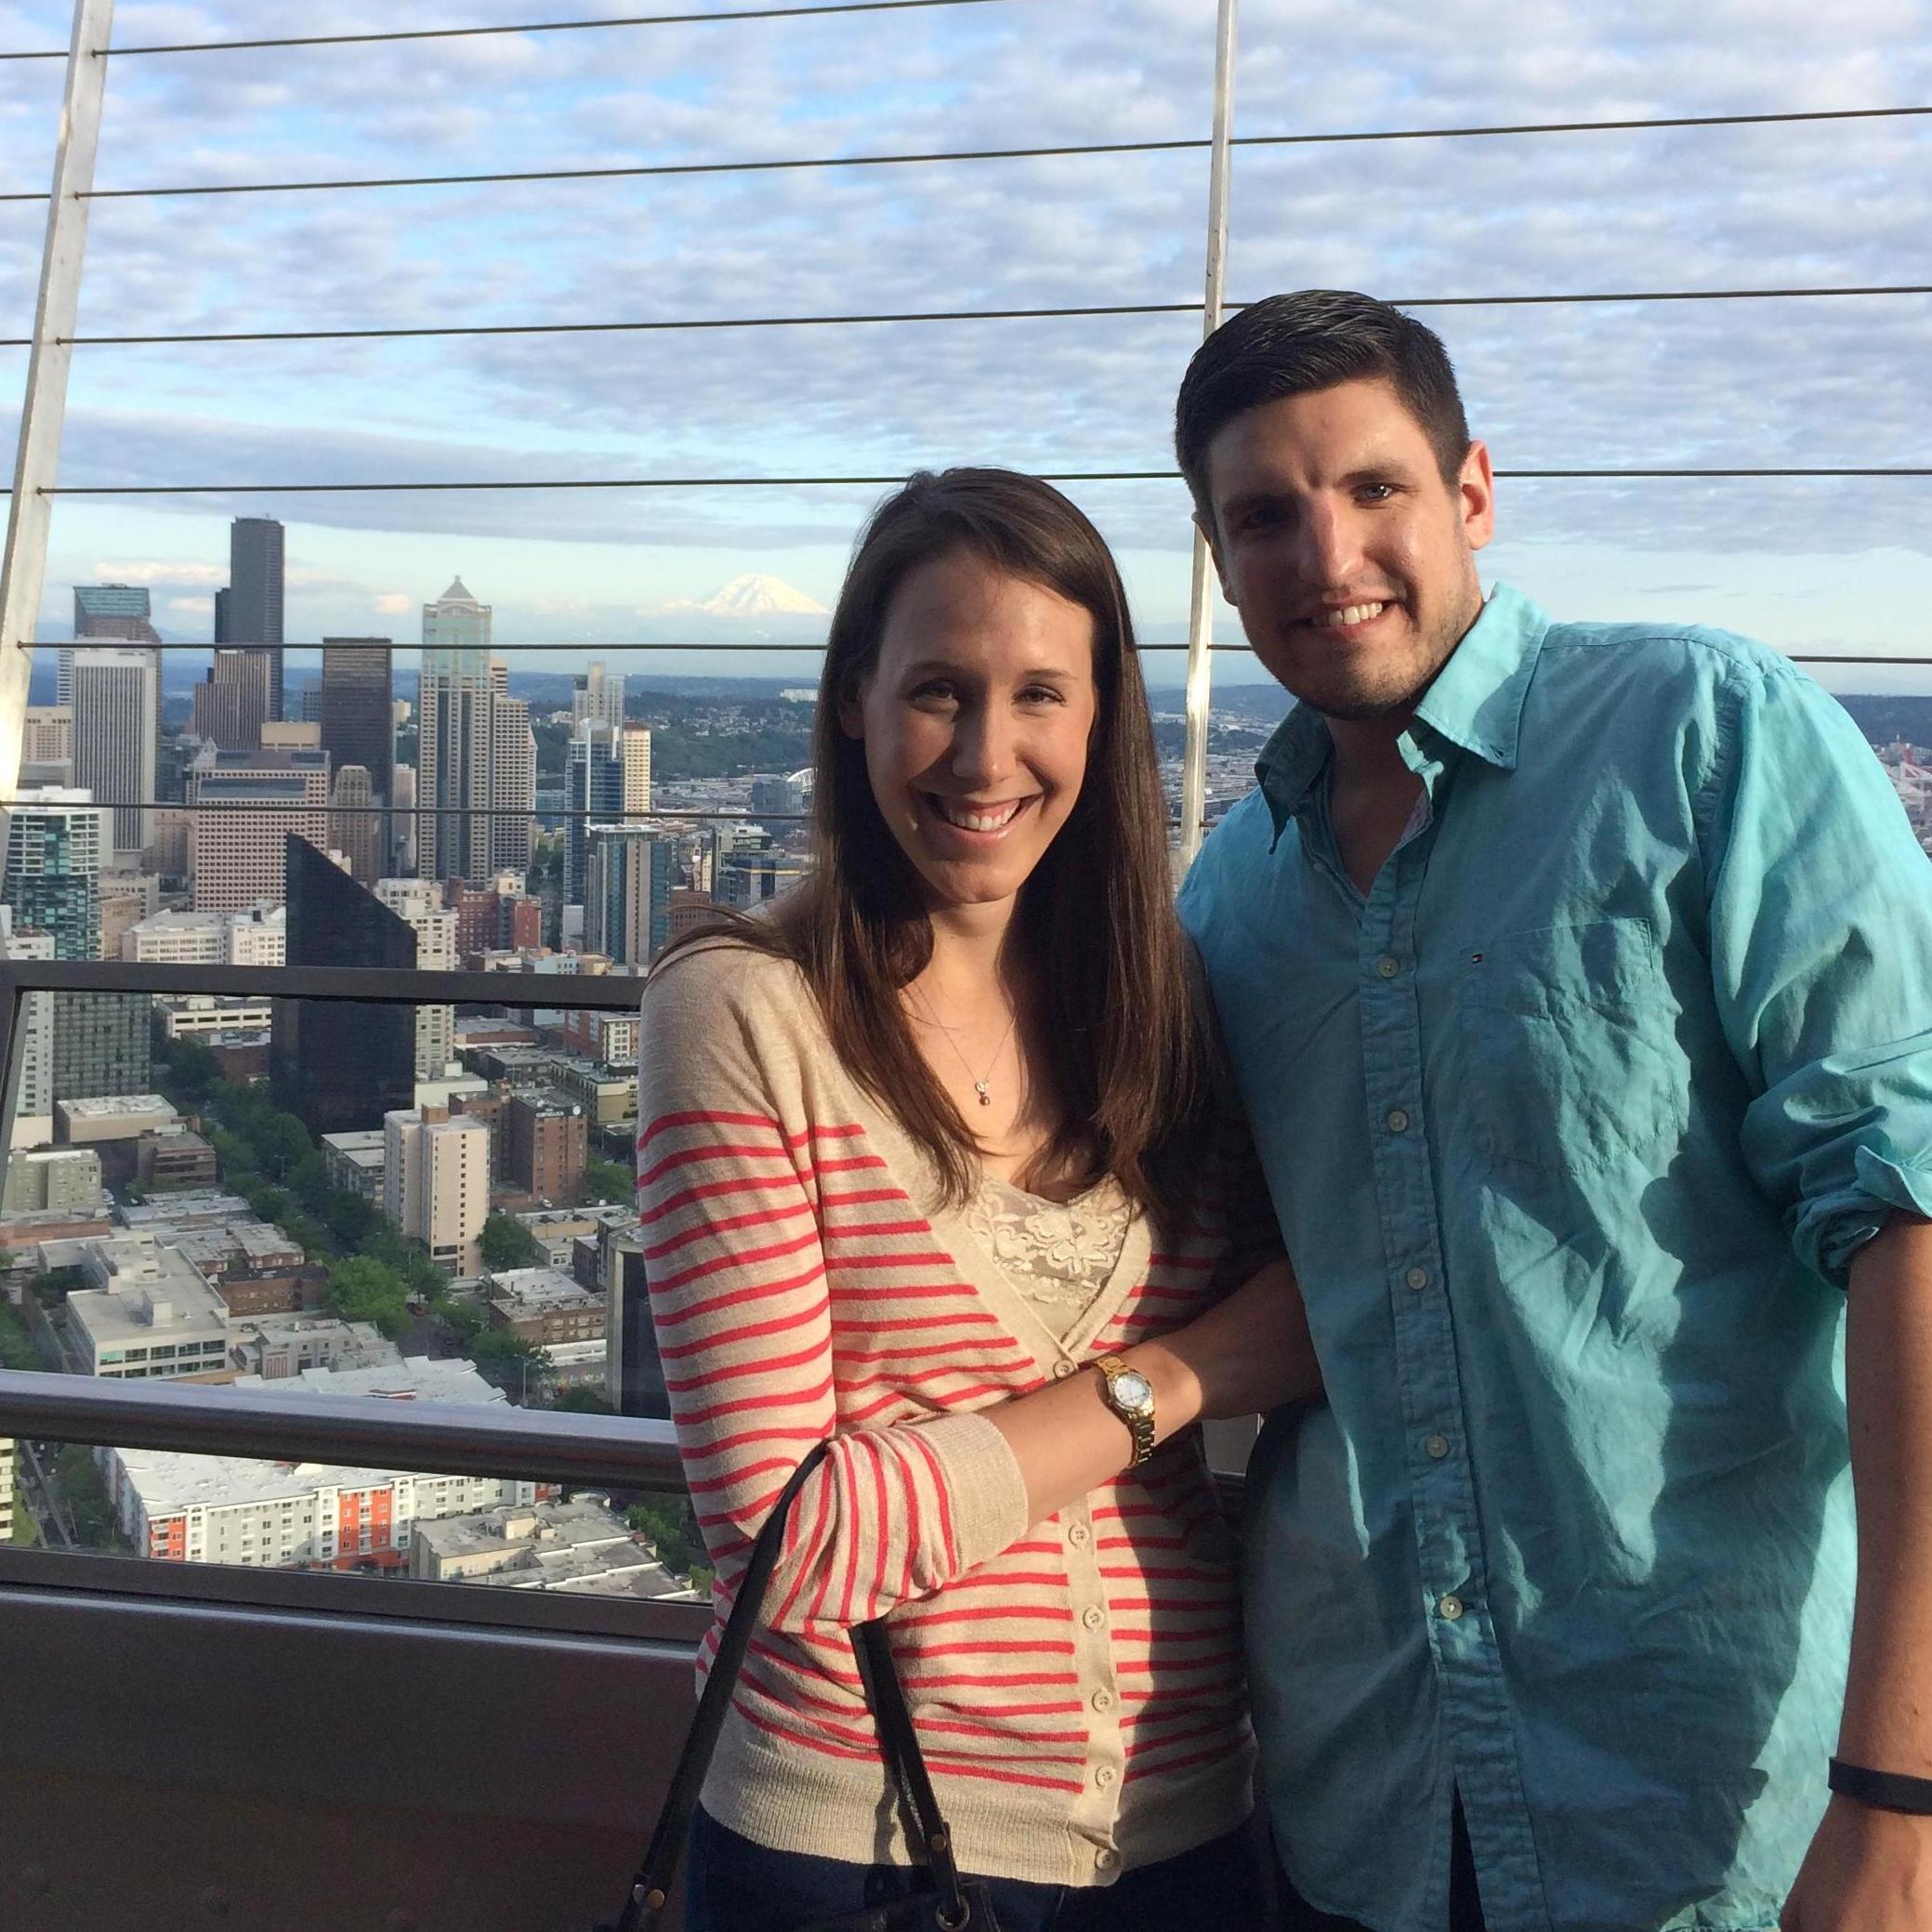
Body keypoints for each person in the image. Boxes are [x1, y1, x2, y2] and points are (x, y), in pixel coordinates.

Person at [1173, 287, 1932, 1932]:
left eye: (1373, 489)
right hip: (1359, 1794)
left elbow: (1913, 1224)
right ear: (1222, 567)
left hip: (1707, 1798)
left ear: (1473, 493)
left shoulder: (1704, 736)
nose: (1324, 553)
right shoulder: (1229, 901)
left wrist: (1899, 1794)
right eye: (1263, 517)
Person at [637, 467, 1317, 1932]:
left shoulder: (1166, 1008)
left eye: (1041, 697)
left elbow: (1334, 1308)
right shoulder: (752, 1015)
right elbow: (789, 1534)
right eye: (938, 691)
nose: (986, 753)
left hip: (1194, 1826)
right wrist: (1176, 1383)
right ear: (852, 702)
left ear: (1103, 719)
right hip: (857, 1840)